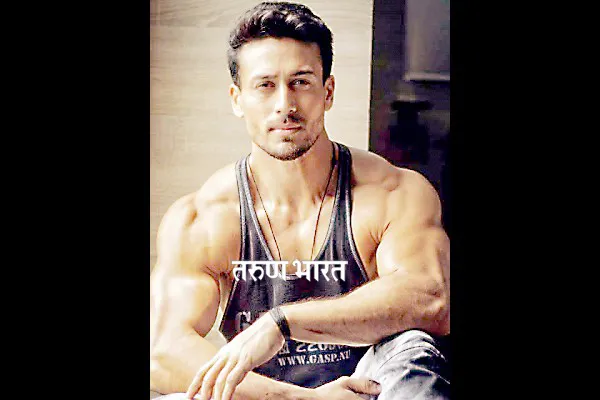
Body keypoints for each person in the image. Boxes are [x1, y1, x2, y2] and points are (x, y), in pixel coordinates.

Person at [150, 2, 450, 399]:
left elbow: (430, 299)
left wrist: (283, 321)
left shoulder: (393, 193)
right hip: (268, 396)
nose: (285, 105)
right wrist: (300, 398)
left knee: (413, 348)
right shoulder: (203, 218)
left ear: (327, 92)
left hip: (371, 390)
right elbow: (164, 354)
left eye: (301, 82)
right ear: (237, 99)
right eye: (265, 85)